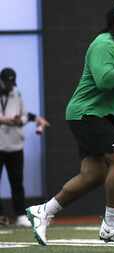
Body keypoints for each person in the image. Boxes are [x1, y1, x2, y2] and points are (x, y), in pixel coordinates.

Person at [25, 4, 114, 247]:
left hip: (96, 115)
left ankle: (44, 211)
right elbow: (104, 80)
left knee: (93, 174)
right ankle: (111, 225)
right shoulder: (104, 44)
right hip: (87, 113)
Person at [0, 67, 50, 227]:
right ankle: (1, 216)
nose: (10, 86)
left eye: (12, 83)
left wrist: (20, 120)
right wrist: (9, 120)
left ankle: (20, 215)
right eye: (7, 83)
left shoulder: (17, 93)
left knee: (17, 181)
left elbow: (24, 114)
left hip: (15, 145)